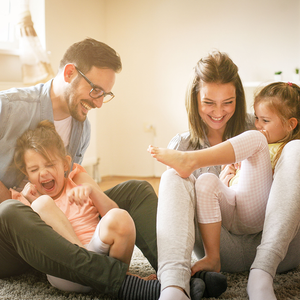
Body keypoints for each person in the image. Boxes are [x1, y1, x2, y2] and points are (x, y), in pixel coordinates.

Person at [0, 38, 160, 299]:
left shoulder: (81, 128)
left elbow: (71, 190)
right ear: (69, 72)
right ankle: (123, 283)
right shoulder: (9, 106)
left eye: (104, 94)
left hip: (55, 237)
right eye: (95, 89)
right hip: (12, 238)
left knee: (137, 190)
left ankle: (177, 275)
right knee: (10, 211)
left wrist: (84, 194)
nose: (98, 103)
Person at [151, 50, 300, 300]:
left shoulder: (260, 124)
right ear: (194, 99)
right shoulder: (181, 145)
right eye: (209, 102)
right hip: (221, 249)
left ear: (238, 98)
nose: (218, 112)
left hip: (281, 248)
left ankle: (262, 275)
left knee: (297, 148)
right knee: (171, 177)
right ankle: (174, 289)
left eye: (228, 102)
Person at [11, 120, 147, 292]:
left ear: (65, 163)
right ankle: (89, 260)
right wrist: (29, 202)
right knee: (42, 203)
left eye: (50, 164)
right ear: (26, 173)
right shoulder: (25, 198)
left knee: (121, 217)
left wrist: (91, 191)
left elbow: (113, 212)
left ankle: (122, 281)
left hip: (101, 262)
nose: (43, 173)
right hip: (65, 269)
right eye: (34, 169)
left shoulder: (77, 180)